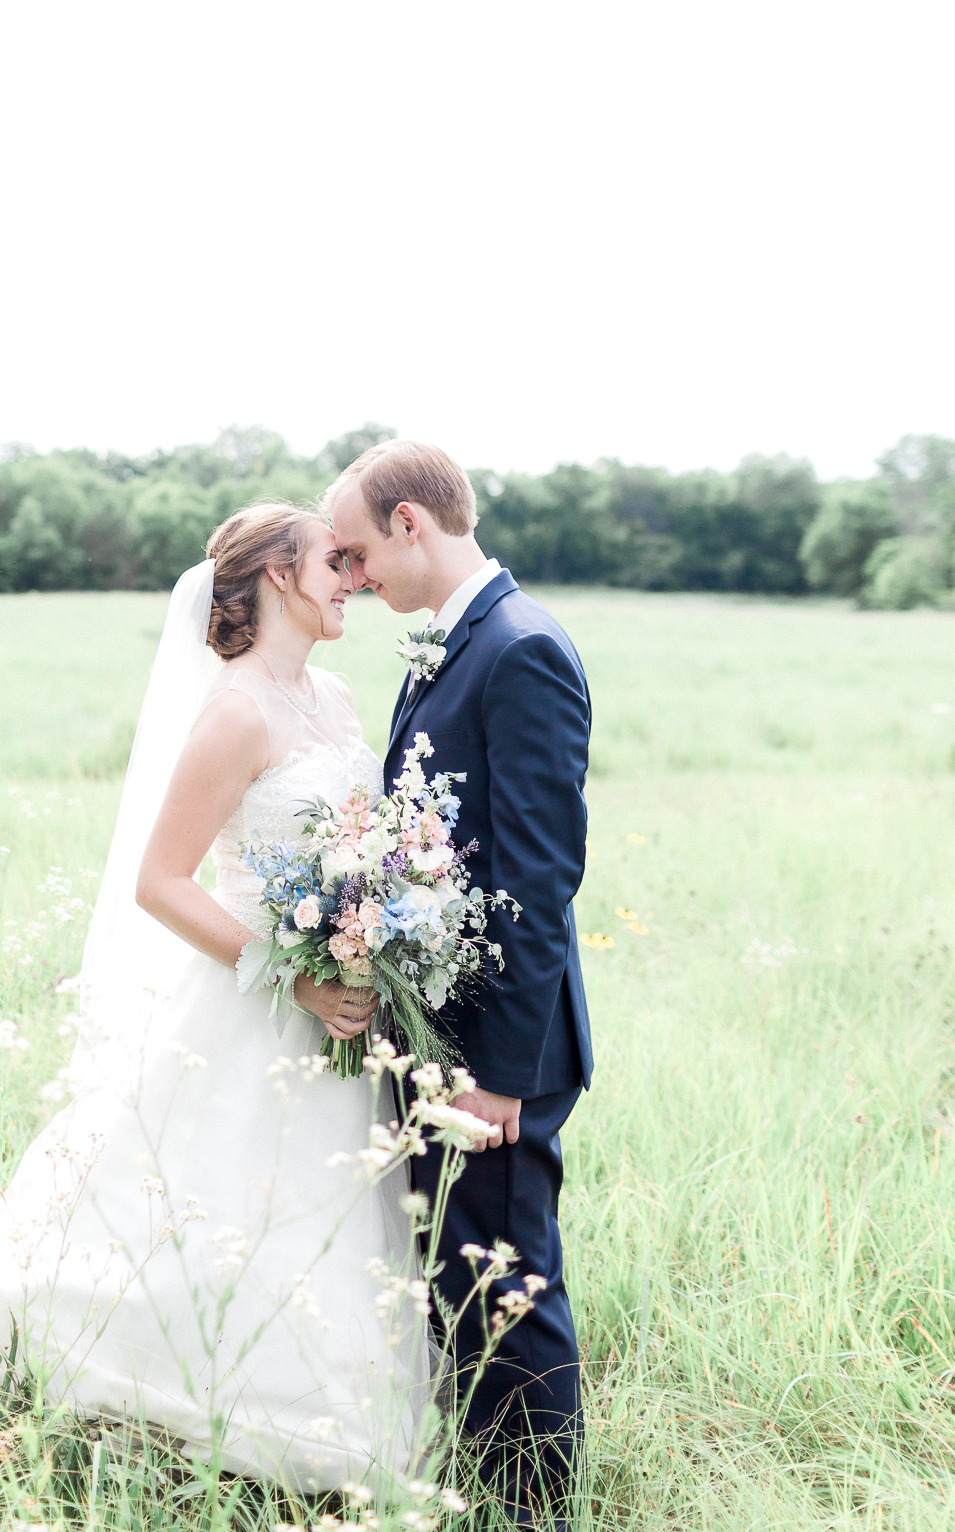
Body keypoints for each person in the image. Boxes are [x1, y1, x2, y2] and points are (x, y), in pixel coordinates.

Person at [0, 503, 429, 1489]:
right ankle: (190, 1400)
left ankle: (333, 1402)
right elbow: (162, 881)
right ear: (276, 577)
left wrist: (374, 930)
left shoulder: (335, 699)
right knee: (220, 1202)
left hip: (341, 1002)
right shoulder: (232, 710)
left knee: (329, 1210)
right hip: (251, 1000)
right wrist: (293, 972)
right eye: (332, 564)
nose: (350, 579)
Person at [327, 441, 594, 1529]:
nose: (349, 578)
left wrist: (496, 1075)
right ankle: (483, 1486)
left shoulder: (520, 648)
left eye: (353, 552)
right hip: (434, 1028)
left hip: (494, 1046)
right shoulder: (443, 644)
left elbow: (537, 880)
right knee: (453, 1275)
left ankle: (532, 1509)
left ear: (407, 524)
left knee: (505, 1280)